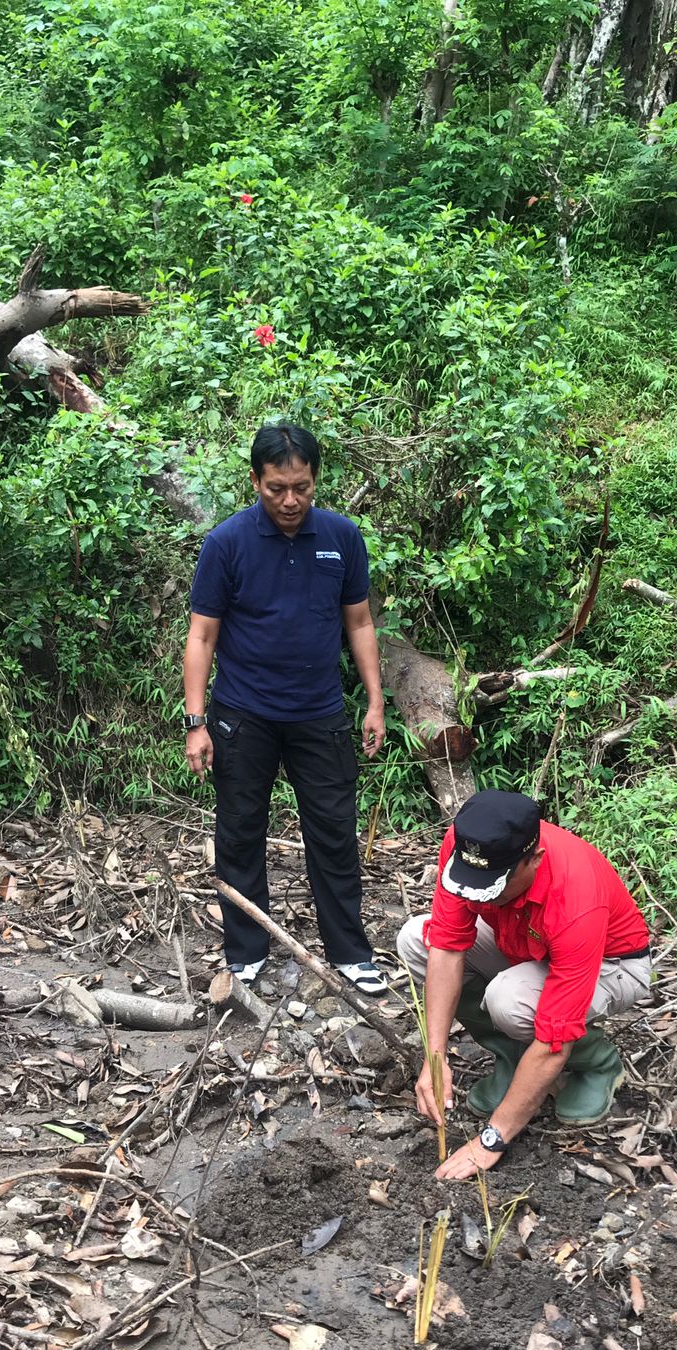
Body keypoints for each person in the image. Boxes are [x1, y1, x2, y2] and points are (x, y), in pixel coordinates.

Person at [183, 422, 388, 994]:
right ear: (255, 480)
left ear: (316, 480)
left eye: (301, 487)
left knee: (333, 829)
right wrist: (196, 722)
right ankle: (245, 951)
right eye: (276, 488)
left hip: (319, 710)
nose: (290, 500)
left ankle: (349, 952)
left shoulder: (341, 537)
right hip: (243, 711)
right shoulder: (227, 543)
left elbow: (360, 622)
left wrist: (373, 701)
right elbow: (201, 637)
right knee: (241, 828)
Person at [398, 790, 652, 1180]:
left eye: (493, 883)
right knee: (416, 939)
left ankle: (600, 1064)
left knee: (511, 1001)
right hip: (523, 943)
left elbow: (554, 1038)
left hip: (612, 965)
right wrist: (435, 1061)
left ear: (534, 860)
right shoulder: (469, 844)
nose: (481, 891)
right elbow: (447, 946)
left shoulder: (575, 897)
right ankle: (513, 1058)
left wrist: (491, 1140)